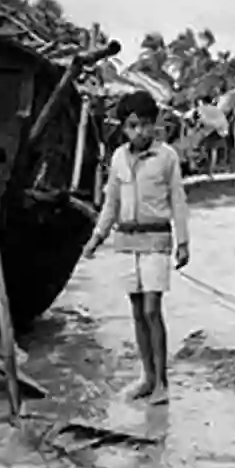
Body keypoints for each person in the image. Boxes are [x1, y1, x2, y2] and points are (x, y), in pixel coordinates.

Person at [83, 90, 190, 406]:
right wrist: (96, 237)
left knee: (151, 309)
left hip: (157, 240)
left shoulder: (167, 157)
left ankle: (162, 383)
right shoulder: (117, 158)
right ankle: (146, 376)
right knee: (136, 310)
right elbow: (111, 203)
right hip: (126, 241)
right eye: (133, 125)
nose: (140, 131)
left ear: (154, 125)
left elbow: (179, 202)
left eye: (145, 125)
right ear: (123, 127)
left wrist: (183, 242)